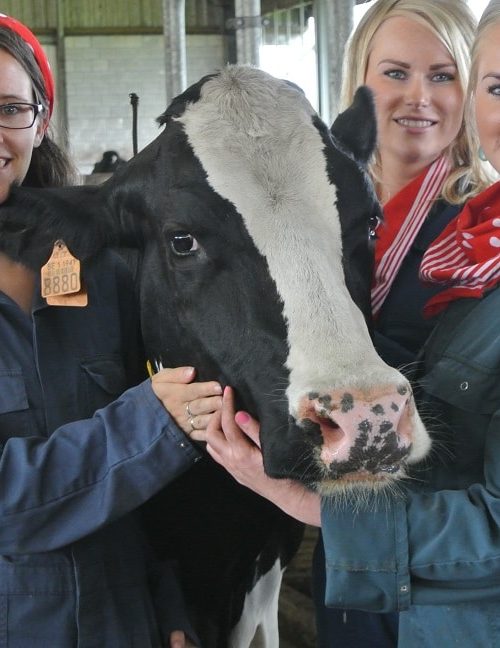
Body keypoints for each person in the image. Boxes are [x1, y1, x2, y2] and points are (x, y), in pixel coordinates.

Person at [197, 0, 500, 645]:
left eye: (443, 75)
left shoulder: (479, 234)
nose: (419, 97)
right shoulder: (302, 220)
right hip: (335, 535)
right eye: (395, 73)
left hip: (446, 556)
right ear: (358, 82)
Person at [0, 13, 222, 647]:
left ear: (40, 121)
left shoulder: (99, 271)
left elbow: (141, 501)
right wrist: (148, 425)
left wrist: (167, 605)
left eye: (10, 109)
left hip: (121, 623)